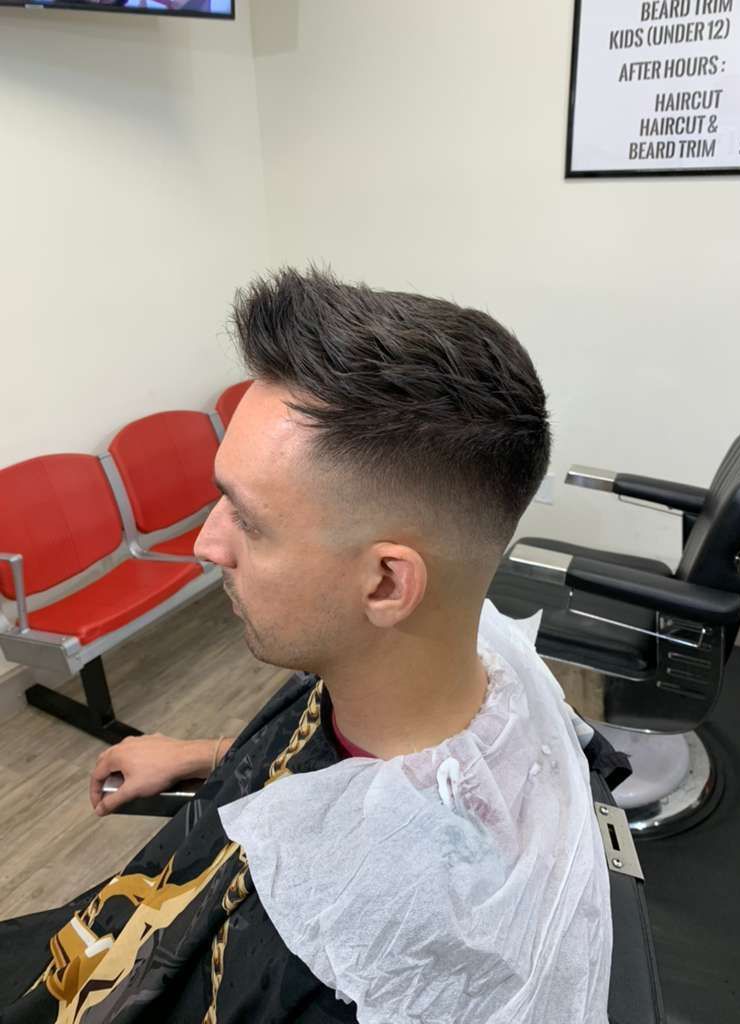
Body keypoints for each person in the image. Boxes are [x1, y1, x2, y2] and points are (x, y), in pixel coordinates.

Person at [0, 268, 612, 1023]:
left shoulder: (385, 968)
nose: (205, 543)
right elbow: (337, 770)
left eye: (249, 522)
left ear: (388, 584)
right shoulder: (459, 649)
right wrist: (202, 753)